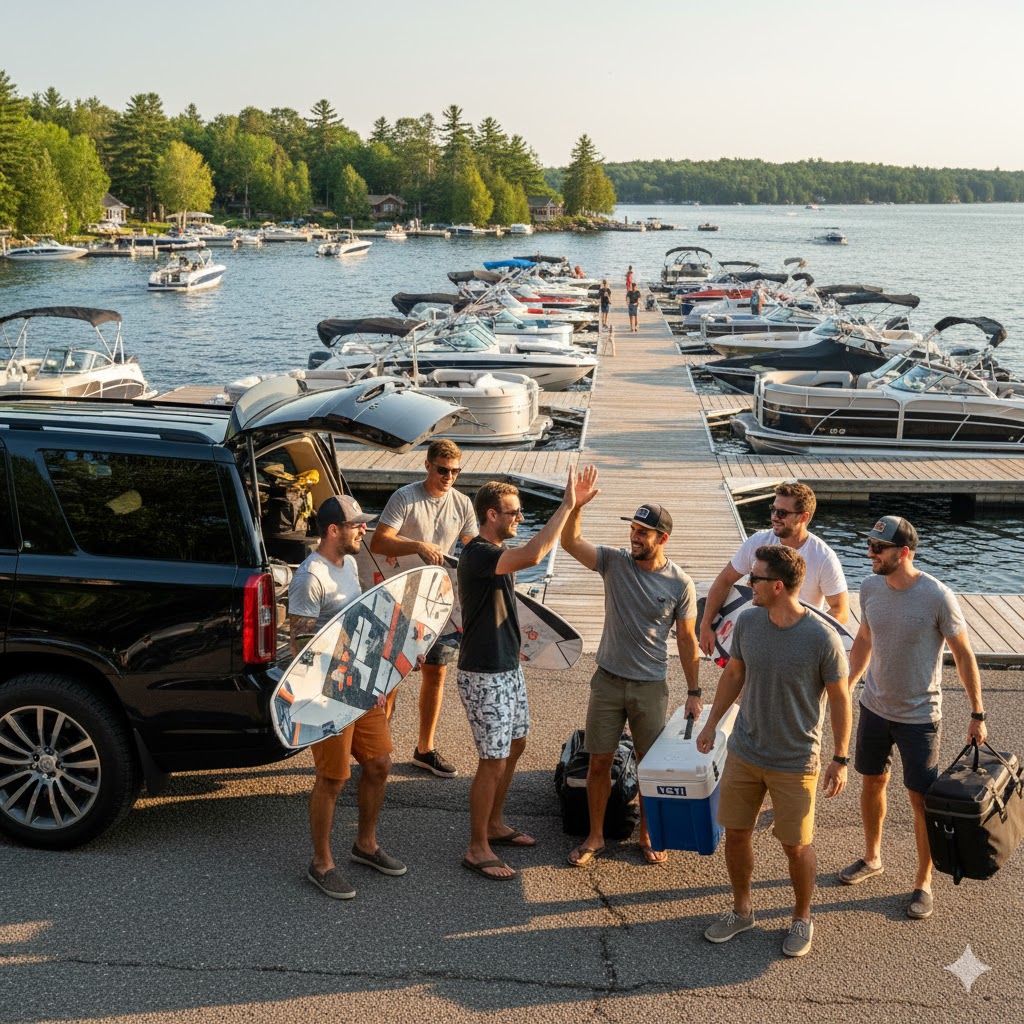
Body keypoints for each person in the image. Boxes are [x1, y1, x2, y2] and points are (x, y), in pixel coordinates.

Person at [697, 546, 850, 958]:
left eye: (756, 579)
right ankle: (742, 910)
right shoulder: (748, 621)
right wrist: (711, 723)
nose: (748, 586)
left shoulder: (822, 637)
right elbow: (734, 673)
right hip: (746, 750)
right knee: (736, 834)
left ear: (777, 586)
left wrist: (840, 757)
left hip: (795, 760)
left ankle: (802, 917)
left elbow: (840, 698)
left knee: (795, 845)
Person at [840, 516, 986, 920]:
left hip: (920, 716)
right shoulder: (870, 588)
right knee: (871, 783)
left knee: (921, 800)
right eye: (869, 546)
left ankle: (923, 882)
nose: (869, 554)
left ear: (903, 552)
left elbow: (963, 654)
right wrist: (849, 684)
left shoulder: (937, 596)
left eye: (877, 549)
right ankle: (872, 858)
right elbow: (865, 638)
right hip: (874, 707)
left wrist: (977, 712)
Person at [561, 475, 702, 866]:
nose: (634, 537)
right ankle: (595, 836)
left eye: (643, 532)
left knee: (649, 763)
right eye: (633, 529)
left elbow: (688, 641)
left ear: (663, 539)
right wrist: (576, 506)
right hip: (607, 680)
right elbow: (570, 543)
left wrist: (694, 692)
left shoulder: (680, 583)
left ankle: (647, 833)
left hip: (650, 686)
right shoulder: (614, 562)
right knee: (599, 761)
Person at [457, 469, 582, 881]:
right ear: (491, 514)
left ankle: (494, 823)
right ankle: (477, 847)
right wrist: (567, 505)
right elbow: (533, 555)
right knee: (492, 759)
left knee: (516, 743)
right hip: (484, 670)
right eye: (513, 513)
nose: (519, 519)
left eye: (521, 512)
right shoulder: (478, 553)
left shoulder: (494, 552)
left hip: (507, 664)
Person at [289, 495, 407, 900]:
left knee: (379, 764)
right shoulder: (311, 577)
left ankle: (365, 845)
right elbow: (299, 647)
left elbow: (363, 625)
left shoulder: (351, 564)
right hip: (326, 693)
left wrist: (374, 680)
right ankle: (321, 864)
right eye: (356, 525)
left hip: (360, 686)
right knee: (333, 779)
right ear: (333, 530)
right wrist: (328, 691)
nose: (364, 530)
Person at [370, 439, 477, 778]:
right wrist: (417, 546)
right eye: (443, 470)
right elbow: (379, 541)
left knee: (436, 674)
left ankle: (424, 750)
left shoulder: (462, 504)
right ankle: (379, 750)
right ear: (428, 465)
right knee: (392, 675)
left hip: (441, 602)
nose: (449, 477)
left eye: (456, 471)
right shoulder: (405, 497)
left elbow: (473, 549)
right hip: (402, 599)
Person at [699, 481, 849, 658]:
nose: (774, 517)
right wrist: (706, 624)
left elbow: (840, 610)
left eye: (782, 513)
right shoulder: (757, 541)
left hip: (797, 646)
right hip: (756, 635)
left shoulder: (823, 557)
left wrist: (806, 633)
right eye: (773, 509)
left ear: (803, 517)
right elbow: (724, 581)